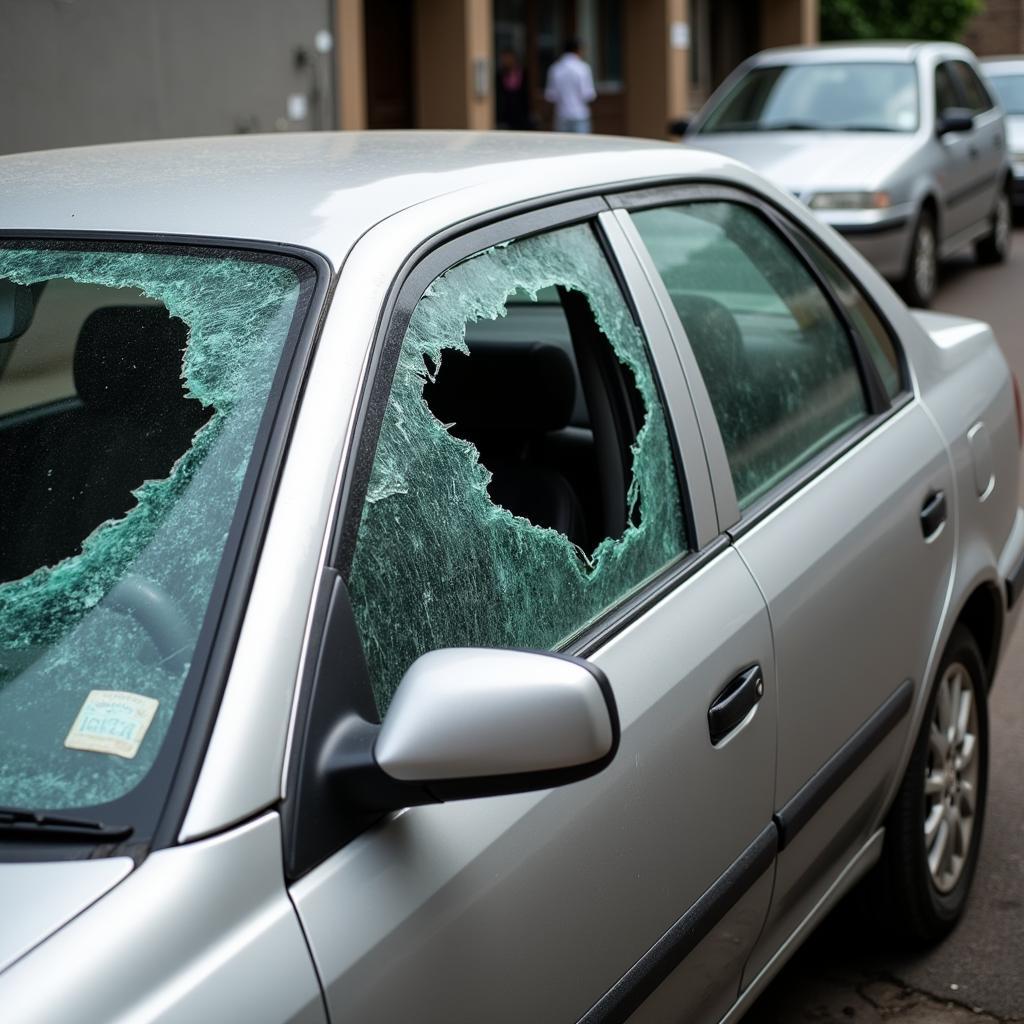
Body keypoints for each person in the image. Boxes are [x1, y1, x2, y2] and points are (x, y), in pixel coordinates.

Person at [544, 38, 596, 133]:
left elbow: (550, 96)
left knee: (563, 146)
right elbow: (588, 94)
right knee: (582, 146)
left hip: (561, 114)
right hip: (580, 114)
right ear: (578, 50)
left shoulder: (555, 68)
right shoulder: (583, 68)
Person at [496, 49, 532, 130]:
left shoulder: (523, 73)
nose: (505, 61)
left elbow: (526, 95)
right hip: (505, 116)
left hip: (521, 115)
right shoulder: (500, 75)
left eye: (508, 58)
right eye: (503, 59)